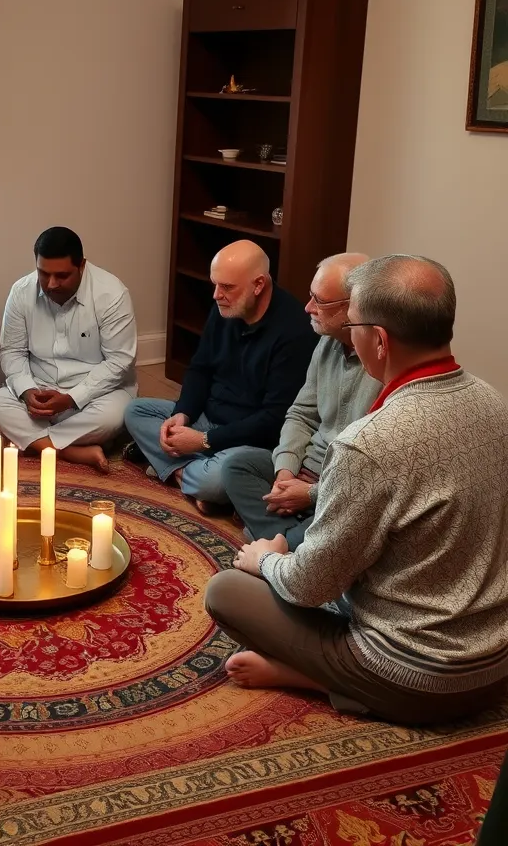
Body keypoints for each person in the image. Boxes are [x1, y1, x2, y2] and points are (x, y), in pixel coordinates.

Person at [205, 255, 508, 724]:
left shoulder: (368, 443)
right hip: (494, 667)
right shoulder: (494, 404)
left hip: (416, 676)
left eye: (354, 323)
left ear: (379, 341)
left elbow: (309, 587)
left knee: (226, 589)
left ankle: (320, 679)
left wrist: (264, 559)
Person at [124, 240, 317, 511]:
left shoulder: (295, 332)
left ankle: (181, 474)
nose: (216, 295)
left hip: (249, 438)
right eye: (215, 284)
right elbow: (200, 368)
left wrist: (204, 441)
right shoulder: (226, 307)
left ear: (258, 284)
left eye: (226, 287)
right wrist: (183, 413)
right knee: (135, 411)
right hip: (207, 418)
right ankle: (192, 479)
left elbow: (273, 419)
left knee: (216, 480)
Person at [220, 253, 380, 546]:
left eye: (320, 301)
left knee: (349, 515)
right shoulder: (326, 341)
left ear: (353, 307)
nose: (308, 307)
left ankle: (283, 536)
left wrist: (310, 494)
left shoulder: (383, 364)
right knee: (236, 466)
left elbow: (371, 475)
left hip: (339, 486)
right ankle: (294, 540)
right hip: (305, 467)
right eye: (310, 295)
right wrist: (285, 471)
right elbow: (301, 414)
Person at [0, 226, 137, 473]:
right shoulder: (21, 291)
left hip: (95, 393)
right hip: (40, 387)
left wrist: (71, 399)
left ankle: (30, 441)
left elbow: (119, 362)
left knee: (114, 416)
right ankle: (70, 450)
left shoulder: (111, 294)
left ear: (82, 266)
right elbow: (12, 351)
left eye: (62, 276)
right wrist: (27, 391)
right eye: (43, 274)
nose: (51, 284)